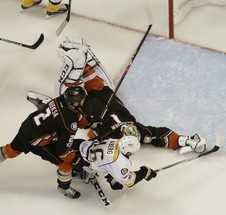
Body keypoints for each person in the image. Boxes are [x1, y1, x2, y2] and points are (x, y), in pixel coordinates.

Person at [27, 37, 207, 155]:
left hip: (88, 97)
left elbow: (88, 142)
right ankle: (75, 61)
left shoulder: (120, 135)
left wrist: (187, 140)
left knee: (82, 66)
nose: (133, 129)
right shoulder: (128, 134)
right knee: (80, 63)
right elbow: (161, 135)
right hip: (93, 95)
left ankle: (54, 100)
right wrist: (187, 140)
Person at [0, 86, 87, 199]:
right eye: (81, 100)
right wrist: (76, 160)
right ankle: (64, 188)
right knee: (66, 165)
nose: (84, 102)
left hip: (28, 126)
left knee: (10, 150)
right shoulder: (69, 123)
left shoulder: (61, 99)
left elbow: (66, 116)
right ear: (74, 103)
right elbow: (62, 151)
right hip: (37, 141)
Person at [74, 135, 157, 190]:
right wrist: (144, 173)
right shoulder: (121, 163)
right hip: (80, 161)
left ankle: (108, 175)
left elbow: (108, 161)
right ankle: (81, 173)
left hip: (81, 144)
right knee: (69, 173)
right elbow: (129, 182)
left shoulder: (116, 140)